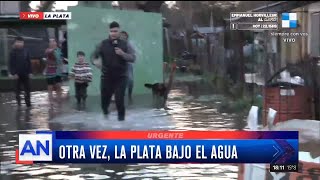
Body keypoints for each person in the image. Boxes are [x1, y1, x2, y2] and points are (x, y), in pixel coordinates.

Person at [91, 21, 136, 121]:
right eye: (111, 31)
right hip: (106, 77)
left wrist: (123, 54)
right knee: (104, 102)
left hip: (121, 77)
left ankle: (121, 125)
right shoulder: (103, 44)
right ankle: (106, 117)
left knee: (119, 100)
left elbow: (133, 58)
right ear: (109, 32)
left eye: (115, 31)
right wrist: (95, 61)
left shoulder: (125, 44)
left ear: (119, 31)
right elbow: (93, 56)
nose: (113, 33)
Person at [9, 37, 32, 107]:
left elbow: (29, 62)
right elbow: (11, 64)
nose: (19, 44)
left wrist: (30, 72)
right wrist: (14, 73)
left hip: (25, 73)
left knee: (27, 89)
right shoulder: (12, 52)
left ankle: (28, 103)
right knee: (17, 90)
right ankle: (19, 103)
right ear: (15, 43)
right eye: (18, 42)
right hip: (17, 75)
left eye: (21, 42)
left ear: (23, 43)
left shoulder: (26, 51)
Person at [120, 31, 136, 104]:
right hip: (118, 65)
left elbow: (133, 58)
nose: (123, 37)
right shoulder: (116, 44)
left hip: (127, 64)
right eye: (121, 35)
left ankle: (129, 95)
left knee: (130, 80)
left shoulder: (128, 45)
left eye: (124, 36)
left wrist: (123, 54)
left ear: (126, 37)